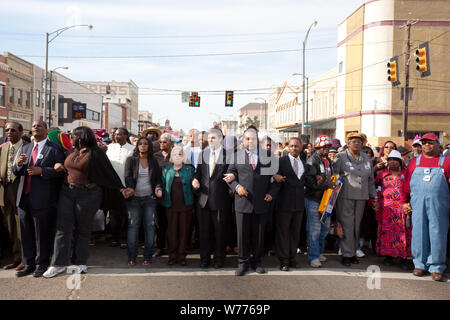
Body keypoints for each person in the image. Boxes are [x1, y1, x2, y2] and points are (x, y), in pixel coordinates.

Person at [43, 127, 124, 278]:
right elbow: (66, 166)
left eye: (72, 136)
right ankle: (58, 264)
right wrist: (59, 166)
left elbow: (108, 174)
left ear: (81, 137)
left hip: (88, 194)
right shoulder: (72, 151)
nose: (70, 138)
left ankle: (80, 262)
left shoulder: (96, 153)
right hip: (67, 192)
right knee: (62, 229)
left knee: (83, 229)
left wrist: (121, 189)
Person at [13, 120, 65, 277]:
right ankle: (28, 263)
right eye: (34, 126)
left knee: (41, 234)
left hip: (42, 199)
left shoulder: (54, 148)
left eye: (39, 126)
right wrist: (18, 165)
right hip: (24, 198)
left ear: (46, 130)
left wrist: (41, 171)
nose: (36, 128)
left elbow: (60, 171)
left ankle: (41, 264)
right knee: (26, 232)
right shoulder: (26, 147)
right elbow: (17, 171)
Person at [226, 126, 278, 276]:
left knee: (259, 235)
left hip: (261, 203)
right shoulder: (236, 157)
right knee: (242, 236)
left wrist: (271, 193)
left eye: (253, 138)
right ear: (243, 140)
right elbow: (229, 176)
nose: (250, 141)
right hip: (243, 202)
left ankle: (257, 262)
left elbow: (276, 179)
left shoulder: (268, 155)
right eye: (248, 138)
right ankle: (242, 263)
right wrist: (236, 187)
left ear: (258, 140)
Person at [401, 133, 450, 282]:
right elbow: (406, 185)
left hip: (439, 204)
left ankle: (436, 267)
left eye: (431, 143)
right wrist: (404, 201)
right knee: (419, 232)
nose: (427, 145)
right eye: (424, 143)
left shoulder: (447, 161)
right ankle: (419, 264)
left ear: (438, 145)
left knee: (438, 233)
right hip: (417, 203)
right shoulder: (414, 162)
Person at [333, 132, 378, 267]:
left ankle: (352, 252)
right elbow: (334, 176)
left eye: (359, 141)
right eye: (353, 141)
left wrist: (374, 196)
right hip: (345, 195)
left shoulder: (366, 158)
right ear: (348, 143)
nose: (357, 143)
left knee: (356, 226)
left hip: (362, 196)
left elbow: (370, 180)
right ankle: (347, 254)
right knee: (347, 225)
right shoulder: (340, 157)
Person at [192, 128, 230, 269]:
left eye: (213, 138)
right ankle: (205, 259)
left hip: (220, 200)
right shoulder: (203, 154)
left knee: (220, 232)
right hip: (203, 200)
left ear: (220, 139)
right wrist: (195, 180)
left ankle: (219, 259)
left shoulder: (229, 156)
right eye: (209, 138)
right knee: (204, 232)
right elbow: (198, 173)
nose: (210, 140)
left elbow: (233, 174)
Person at [123, 137, 162, 267]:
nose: (143, 146)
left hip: (149, 198)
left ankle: (147, 256)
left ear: (149, 146)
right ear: (137, 146)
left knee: (150, 227)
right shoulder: (131, 160)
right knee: (133, 227)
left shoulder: (153, 161)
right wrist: (131, 189)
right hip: (134, 199)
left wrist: (157, 188)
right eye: (140, 144)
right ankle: (132, 257)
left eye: (145, 144)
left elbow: (157, 179)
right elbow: (127, 176)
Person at [374, 150, 413, 270]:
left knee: (404, 233)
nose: (392, 162)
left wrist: (409, 204)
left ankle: (404, 258)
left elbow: (412, 189)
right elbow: (374, 187)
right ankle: (388, 256)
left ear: (400, 162)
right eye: (390, 160)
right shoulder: (382, 174)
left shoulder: (407, 173)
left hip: (402, 208)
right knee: (387, 233)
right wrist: (375, 202)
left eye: (395, 160)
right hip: (386, 208)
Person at [272, 137, 306, 271]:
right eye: (291, 146)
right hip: (284, 204)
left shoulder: (304, 163)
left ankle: (292, 258)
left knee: (295, 233)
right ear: (288, 147)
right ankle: (284, 260)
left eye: (296, 146)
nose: (294, 148)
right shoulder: (281, 162)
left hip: (299, 205)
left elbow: (307, 181)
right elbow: (272, 176)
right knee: (283, 233)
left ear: (301, 148)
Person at [0, 122, 28, 271]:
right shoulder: (3, 148)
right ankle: (16, 258)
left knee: (22, 227)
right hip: (4, 192)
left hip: (20, 192)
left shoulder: (28, 147)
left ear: (21, 132)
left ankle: (25, 258)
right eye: (7, 130)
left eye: (13, 130)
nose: (9, 132)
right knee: (11, 227)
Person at [161, 146, 195, 266]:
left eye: (180, 154)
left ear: (183, 156)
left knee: (184, 231)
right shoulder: (166, 171)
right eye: (175, 154)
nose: (177, 156)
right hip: (170, 205)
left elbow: (194, 189)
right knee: (172, 231)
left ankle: (181, 255)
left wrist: (195, 185)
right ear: (171, 157)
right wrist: (158, 190)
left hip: (186, 205)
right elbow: (162, 186)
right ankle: (172, 255)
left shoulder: (190, 170)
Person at [304, 135, 334, 268]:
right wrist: (326, 185)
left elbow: (327, 178)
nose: (327, 149)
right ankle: (313, 256)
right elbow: (310, 181)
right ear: (318, 147)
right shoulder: (312, 160)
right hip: (314, 199)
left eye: (328, 147)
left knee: (325, 228)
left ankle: (319, 252)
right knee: (314, 229)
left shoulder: (326, 160)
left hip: (326, 199)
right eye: (324, 147)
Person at [106, 128, 134, 249]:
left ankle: (123, 238)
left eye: (119, 134)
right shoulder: (110, 148)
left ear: (125, 136)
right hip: (112, 187)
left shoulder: (132, 149)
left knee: (125, 214)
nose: (116, 136)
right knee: (113, 214)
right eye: (116, 134)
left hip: (126, 186)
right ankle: (114, 237)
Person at [153, 133, 175, 257]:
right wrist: (157, 188)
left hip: (173, 194)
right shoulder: (155, 157)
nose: (161, 144)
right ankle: (160, 247)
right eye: (160, 142)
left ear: (171, 144)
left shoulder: (176, 155)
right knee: (160, 223)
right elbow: (153, 175)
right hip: (159, 194)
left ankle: (172, 247)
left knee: (172, 222)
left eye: (165, 142)